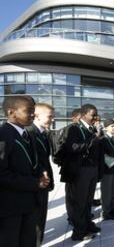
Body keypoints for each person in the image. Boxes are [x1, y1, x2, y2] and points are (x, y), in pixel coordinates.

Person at [0, 96, 50, 247]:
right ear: (11, 112)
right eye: (29, 111)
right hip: (10, 207)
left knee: (29, 241)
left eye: (34, 111)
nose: (33, 115)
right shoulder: (3, 136)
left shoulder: (27, 133)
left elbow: (33, 161)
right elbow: (2, 174)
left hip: (30, 202)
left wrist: (42, 172)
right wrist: (35, 183)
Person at [62, 104, 102, 241]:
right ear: (84, 114)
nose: (95, 117)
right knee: (80, 202)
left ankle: (87, 224)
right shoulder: (74, 128)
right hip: (81, 171)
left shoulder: (91, 128)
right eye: (93, 114)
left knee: (88, 201)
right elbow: (72, 147)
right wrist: (93, 140)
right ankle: (79, 232)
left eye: (96, 114)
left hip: (92, 169)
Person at [26, 103, 55, 244]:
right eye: (49, 116)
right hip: (35, 183)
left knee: (41, 217)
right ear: (36, 115)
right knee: (34, 221)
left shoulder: (43, 133)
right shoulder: (29, 133)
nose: (52, 119)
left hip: (43, 183)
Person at [100, 119, 114, 220]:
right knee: (106, 192)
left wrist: (113, 152)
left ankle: (113, 208)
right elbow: (112, 152)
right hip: (106, 169)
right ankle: (106, 212)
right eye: (112, 126)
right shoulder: (103, 140)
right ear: (106, 128)